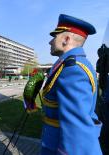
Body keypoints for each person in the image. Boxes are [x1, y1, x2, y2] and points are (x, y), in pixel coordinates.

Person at [41, 14, 102, 155]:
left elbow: (77, 129)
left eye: (54, 37)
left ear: (66, 39)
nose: (50, 42)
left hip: (58, 147)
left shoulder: (72, 69)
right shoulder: (73, 64)